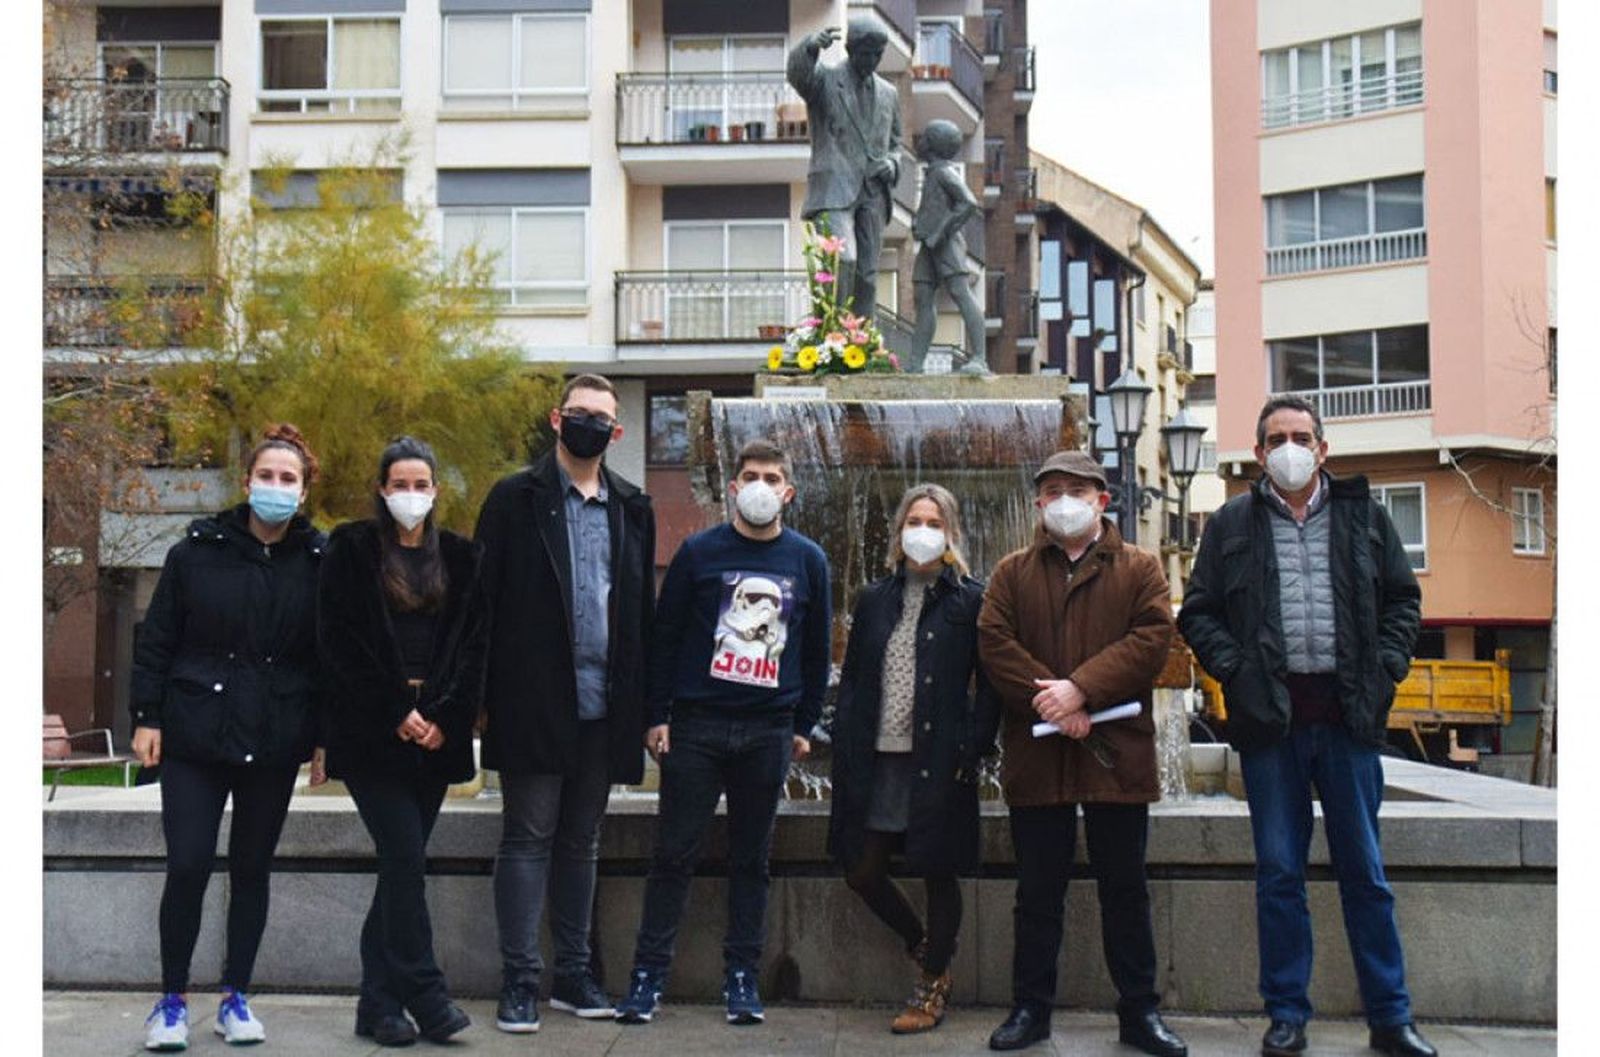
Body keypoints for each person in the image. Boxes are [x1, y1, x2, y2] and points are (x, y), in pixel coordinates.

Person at [1177, 396, 1435, 1057]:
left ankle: (1391, 1017)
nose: (1289, 447)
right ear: (1259, 452)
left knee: (1366, 873)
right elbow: (1198, 612)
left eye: (1301, 436)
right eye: (1276, 438)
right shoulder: (1232, 522)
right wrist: (1235, 670)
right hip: (1270, 726)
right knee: (1279, 874)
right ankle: (1286, 1013)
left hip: (1349, 722)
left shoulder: (1364, 517)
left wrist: (1386, 667)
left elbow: (1404, 600)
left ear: (1322, 448)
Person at [615, 439, 831, 1027]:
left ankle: (742, 979)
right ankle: (647, 977)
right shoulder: (699, 552)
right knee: (672, 856)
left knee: (751, 860)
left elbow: (817, 653)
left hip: (768, 732)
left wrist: (803, 723)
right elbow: (666, 636)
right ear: (733, 487)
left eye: (773, 477)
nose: (761, 485)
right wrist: (656, 715)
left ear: (788, 491)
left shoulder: (808, 559)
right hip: (697, 726)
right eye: (751, 475)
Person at [977, 450, 1187, 1057]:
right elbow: (995, 643)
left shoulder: (1140, 569)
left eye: (1077, 489)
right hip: (1038, 753)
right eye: (1052, 491)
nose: (1064, 500)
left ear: (1102, 499)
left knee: (1125, 888)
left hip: (1113, 752)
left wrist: (1081, 691)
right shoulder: (1011, 572)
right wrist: (1054, 702)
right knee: (1037, 891)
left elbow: (1151, 639)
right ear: (1039, 504)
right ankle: (1030, 1010)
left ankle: (1140, 1013)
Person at [129, 423, 327, 1051]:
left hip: (274, 737)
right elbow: (157, 638)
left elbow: (327, 658)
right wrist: (147, 716)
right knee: (187, 864)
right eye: (266, 476)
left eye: (287, 479)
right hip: (194, 733)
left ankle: (236, 997)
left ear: (303, 491)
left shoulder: (319, 563)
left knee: (252, 869)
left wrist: (324, 739)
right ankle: (170, 1002)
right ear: (247, 482)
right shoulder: (196, 551)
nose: (276, 486)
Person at [475, 374, 656, 1032]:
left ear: (618, 431)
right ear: (557, 419)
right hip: (530, 697)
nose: (590, 424)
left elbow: (640, 611)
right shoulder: (513, 497)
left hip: (605, 701)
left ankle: (573, 973)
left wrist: (647, 707)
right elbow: (482, 601)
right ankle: (519, 979)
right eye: (579, 413)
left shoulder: (632, 506)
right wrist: (478, 697)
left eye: (601, 417)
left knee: (581, 841)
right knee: (527, 837)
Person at [318, 436, 487, 1048]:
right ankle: (427, 991)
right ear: (382, 490)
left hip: (436, 734)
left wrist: (443, 715)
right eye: (400, 485)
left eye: (421, 486)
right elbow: (337, 640)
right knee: (405, 858)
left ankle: (378, 1006)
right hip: (373, 734)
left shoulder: (464, 558)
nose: (410, 496)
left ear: (436, 491)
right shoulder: (352, 549)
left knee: (400, 868)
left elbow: (474, 648)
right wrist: (394, 709)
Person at [827, 484, 996, 1034]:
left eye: (934, 522)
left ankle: (930, 988)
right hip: (877, 758)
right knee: (862, 870)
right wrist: (844, 738)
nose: (922, 531)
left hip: (937, 758)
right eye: (914, 520)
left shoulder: (970, 598)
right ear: (899, 531)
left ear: (951, 534)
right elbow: (853, 678)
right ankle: (927, 949)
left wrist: (973, 746)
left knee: (938, 870)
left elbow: (989, 685)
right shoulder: (875, 597)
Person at [787, 17, 903, 322]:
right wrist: (810, 47)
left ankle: (860, 342)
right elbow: (798, 75)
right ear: (851, 49)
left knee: (866, 275)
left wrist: (892, 163)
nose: (872, 61)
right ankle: (830, 335)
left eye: (878, 54)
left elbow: (896, 143)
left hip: (873, 193)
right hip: (833, 189)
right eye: (866, 53)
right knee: (842, 260)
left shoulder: (889, 93)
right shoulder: (825, 80)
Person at [910, 119, 986, 373]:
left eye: (925, 138)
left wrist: (940, 233)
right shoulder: (933, 172)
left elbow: (968, 202)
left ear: (931, 144)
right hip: (928, 246)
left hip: (945, 245)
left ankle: (979, 358)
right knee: (923, 299)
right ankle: (915, 364)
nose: (919, 142)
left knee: (961, 294)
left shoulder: (944, 172)